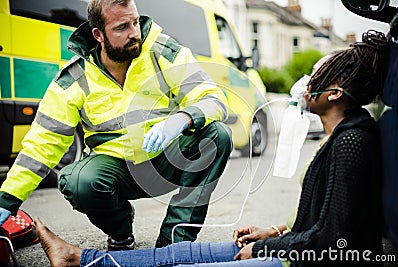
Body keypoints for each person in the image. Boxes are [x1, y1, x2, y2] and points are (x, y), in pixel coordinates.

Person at [33, 29, 388, 266]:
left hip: (296, 260)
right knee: (182, 253)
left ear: (335, 94)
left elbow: (333, 240)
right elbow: (324, 219)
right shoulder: (345, 135)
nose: (306, 82)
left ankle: (79, 258)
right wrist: (275, 232)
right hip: (289, 249)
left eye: (316, 75)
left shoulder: (353, 141)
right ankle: (80, 257)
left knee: (181, 262)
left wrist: (265, 249)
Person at [0, 0, 232, 250]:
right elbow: (42, 145)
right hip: (117, 174)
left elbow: (214, 99)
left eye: (135, 21)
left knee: (217, 136)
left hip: (165, 162)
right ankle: (120, 231)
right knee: (78, 181)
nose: (135, 33)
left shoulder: (165, 53)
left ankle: (174, 241)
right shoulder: (75, 78)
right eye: (122, 27)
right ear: (98, 35)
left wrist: (181, 119)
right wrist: (7, 200)